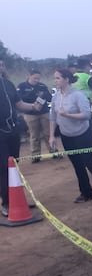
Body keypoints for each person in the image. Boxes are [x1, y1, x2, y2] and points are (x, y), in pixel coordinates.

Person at [48, 67, 92, 205]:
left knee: (90, 163)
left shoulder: (77, 95)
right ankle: (86, 192)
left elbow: (86, 115)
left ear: (66, 79)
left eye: (58, 78)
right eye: (55, 78)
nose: (55, 81)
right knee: (77, 165)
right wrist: (52, 136)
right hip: (66, 135)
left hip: (83, 133)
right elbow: (52, 116)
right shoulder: (56, 96)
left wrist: (68, 115)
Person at [1, 60, 44, 216]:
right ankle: (6, 203)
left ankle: (17, 199)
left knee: (14, 165)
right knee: (4, 167)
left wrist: (33, 106)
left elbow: (19, 104)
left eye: (2, 65)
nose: (0, 67)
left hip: (13, 130)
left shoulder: (8, 84)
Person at [17, 68, 53, 163]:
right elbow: (19, 98)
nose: (36, 80)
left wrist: (44, 94)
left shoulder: (42, 86)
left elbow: (50, 98)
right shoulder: (22, 86)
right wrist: (32, 94)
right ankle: (35, 155)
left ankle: (53, 151)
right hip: (30, 114)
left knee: (48, 133)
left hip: (44, 112)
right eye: (35, 78)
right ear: (29, 76)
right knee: (34, 135)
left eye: (38, 78)